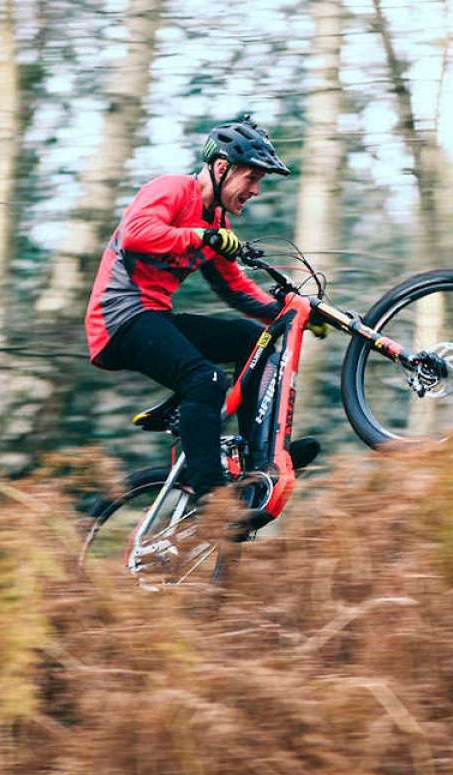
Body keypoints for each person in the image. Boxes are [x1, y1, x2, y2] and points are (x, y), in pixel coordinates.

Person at [84, 115, 318, 521]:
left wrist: (290, 315)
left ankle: (259, 459)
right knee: (206, 380)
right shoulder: (173, 190)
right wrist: (200, 237)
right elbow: (137, 232)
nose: (256, 190)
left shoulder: (218, 223)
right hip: (119, 320)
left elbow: (234, 288)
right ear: (222, 168)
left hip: (154, 316)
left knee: (252, 339)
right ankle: (213, 501)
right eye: (251, 178)